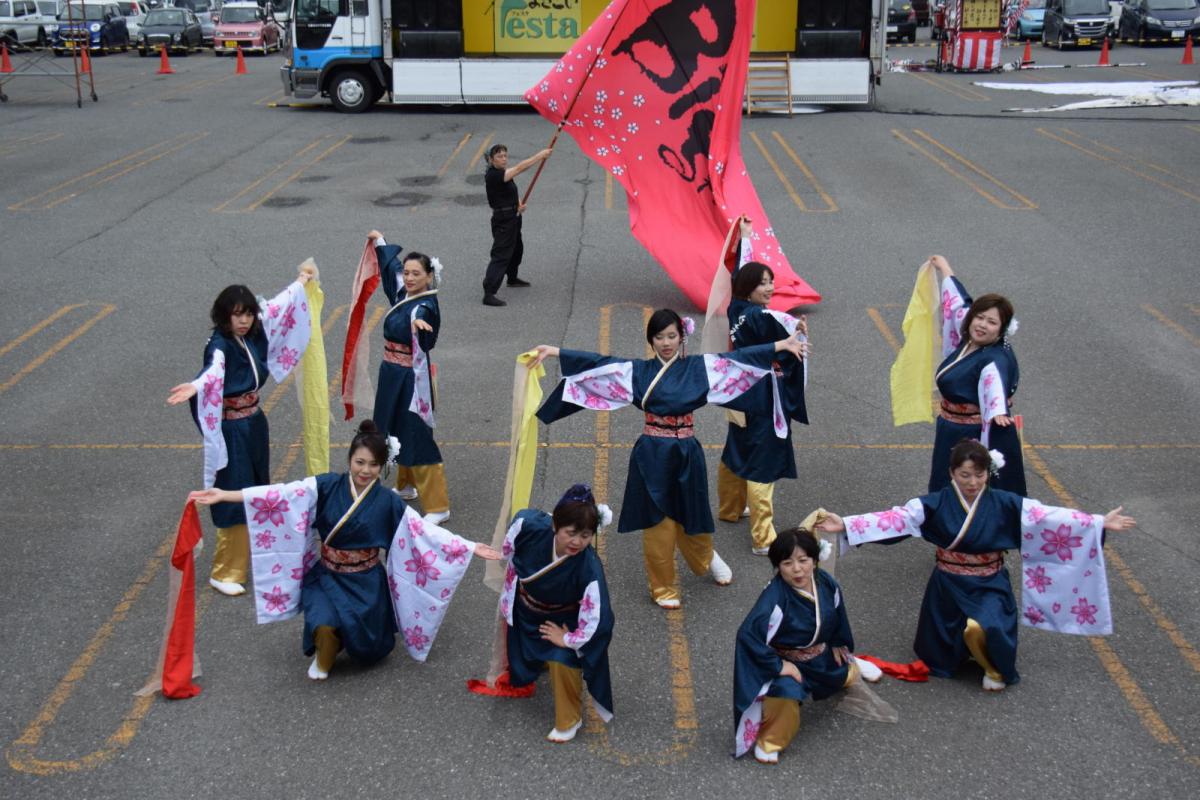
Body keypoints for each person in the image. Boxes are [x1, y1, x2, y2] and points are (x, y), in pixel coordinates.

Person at [528, 308, 810, 609]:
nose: (666, 342)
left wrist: (782, 345)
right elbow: (598, 365)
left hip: (687, 451)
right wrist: (555, 351)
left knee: (694, 514)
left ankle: (705, 556)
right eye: (659, 336)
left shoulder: (701, 368)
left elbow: (739, 361)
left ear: (682, 337)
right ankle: (662, 587)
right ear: (651, 340)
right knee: (658, 522)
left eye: (672, 336)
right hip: (652, 453)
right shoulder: (637, 371)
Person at [816, 439, 1136, 691]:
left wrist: (1095, 523)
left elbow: (1047, 517)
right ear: (952, 473)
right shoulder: (934, 504)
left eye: (979, 475)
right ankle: (954, 657)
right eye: (965, 475)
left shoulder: (1005, 503)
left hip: (989, 582)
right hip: (948, 583)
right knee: (948, 642)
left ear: (988, 473)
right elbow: (895, 519)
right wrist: (845, 523)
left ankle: (995, 668)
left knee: (983, 627)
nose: (972, 482)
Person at [191, 420, 501, 680]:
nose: (365, 470)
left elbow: (423, 532)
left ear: (383, 467)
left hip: (366, 581)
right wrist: (226, 494)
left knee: (369, 650)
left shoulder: (388, 502)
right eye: (359, 462)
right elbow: (282, 495)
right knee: (324, 623)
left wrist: (467, 546)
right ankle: (325, 652)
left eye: (373, 464)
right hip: (327, 575)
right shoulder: (326, 486)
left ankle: (348, 640)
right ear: (350, 460)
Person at [168, 266, 314, 597]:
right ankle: (226, 570)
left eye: (248, 314)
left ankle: (254, 554)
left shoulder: (249, 334)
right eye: (237, 315)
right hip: (233, 427)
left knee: (257, 484)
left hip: (253, 423)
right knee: (233, 489)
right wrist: (196, 386)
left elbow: (275, 307)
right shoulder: (219, 344)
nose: (245, 320)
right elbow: (213, 371)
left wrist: (301, 282)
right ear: (224, 317)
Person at [733, 527, 883, 763]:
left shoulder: (825, 583)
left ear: (815, 560)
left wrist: (837, 642)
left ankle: (853, 663)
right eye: (787, 563)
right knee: (784, 693)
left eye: (803, 560)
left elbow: (837, 614)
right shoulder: (774, 598)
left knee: (842, 671)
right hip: (789, 661)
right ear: (778, 566)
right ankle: (771, 739)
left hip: (820, 654)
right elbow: (747, 635)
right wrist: (778, 665)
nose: (797, 569)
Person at [716, 218, 810, 555]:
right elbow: (776, 343)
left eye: (771, 282)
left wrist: (745, 239)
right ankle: (763, 536)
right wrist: (791, 339)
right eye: (763, 284)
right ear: (749, 287)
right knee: (763, 463)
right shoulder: (764, 319)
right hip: (763, 397)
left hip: (738, 392)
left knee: (736, 449)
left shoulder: (737, 307)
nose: (769, 288)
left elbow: (740, 270)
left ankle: (729, 509)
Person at [494, 484, 615, 743]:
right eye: (570, 533)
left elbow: (599, 622)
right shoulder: (529, 526)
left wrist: (568, 638)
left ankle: (570, 719)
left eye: (585, 535)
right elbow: (511, 543)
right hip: (524, 608)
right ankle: (529, 669)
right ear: (554, 526)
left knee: (562, 656)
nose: (577, 542)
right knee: (521, 664)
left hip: (562, 621)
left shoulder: (589, 569)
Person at [364, 230, 450, 524]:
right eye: (409, 273)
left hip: (411, 376)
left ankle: (438, 505)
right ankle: (406, 484)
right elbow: (392, 269)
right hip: (391, 373)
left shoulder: (425, 304)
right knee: (390, 426)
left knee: (415, 430)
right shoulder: (404, 291)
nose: (410, 278)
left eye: (417, 274)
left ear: (429, 277)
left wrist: (418, 324)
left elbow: (421, 318)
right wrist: (381, 241)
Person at [927, 254, 1025, 494]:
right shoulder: (969, 338)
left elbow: (995, 379)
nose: (982, 325)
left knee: (971, 487)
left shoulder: (994, 356)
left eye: (992, 322)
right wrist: (944, 268)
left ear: (1002, 330)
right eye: (979, 317)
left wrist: (998, 409)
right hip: (950, 427)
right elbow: (959, 305)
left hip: (972, 434)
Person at [481, 144, 552, 307]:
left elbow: (510, 190)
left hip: (513, 216)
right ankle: (489, 292)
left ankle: (512, 278)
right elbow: (520, 168)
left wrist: (518, 204)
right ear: (491, 160)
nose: (504, 158)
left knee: (517, 249)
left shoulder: (502, 173)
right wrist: (539, 156)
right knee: (501, 255)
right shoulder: (493, 175)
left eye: (505, 155)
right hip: (504, 220)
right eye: (499, 156)